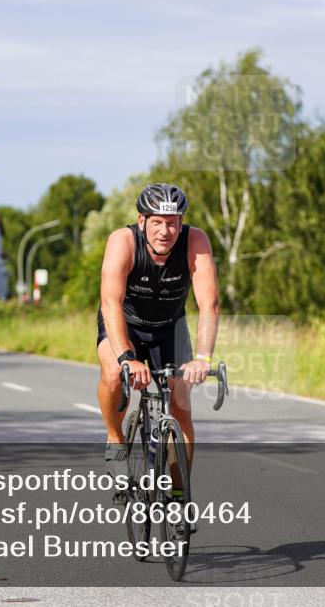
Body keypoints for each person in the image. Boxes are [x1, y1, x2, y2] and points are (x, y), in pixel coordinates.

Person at [97, 183, 219, 495]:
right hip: (125, 324)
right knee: (113, 373)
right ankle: (114, 437)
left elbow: (209, 305)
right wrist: (127, 358)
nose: (165, 231)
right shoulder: (122, 242)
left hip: (170, 326)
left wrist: (202, 358)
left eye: (172, 223)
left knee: (180, 405)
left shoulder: (195, 241)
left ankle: (179, 495)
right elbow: (110, 302)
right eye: (157, 222)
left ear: (181, 223)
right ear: (142, 222)